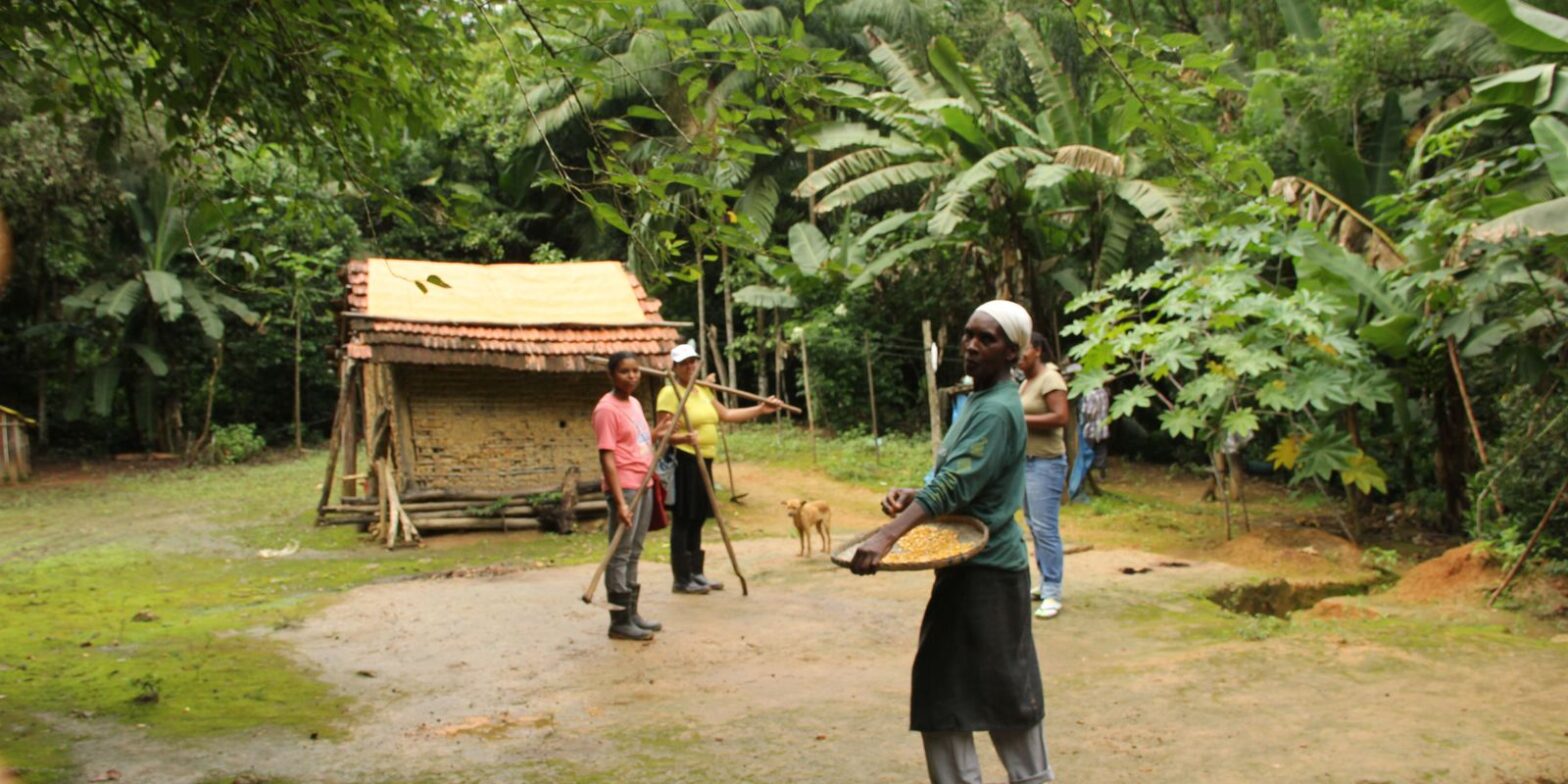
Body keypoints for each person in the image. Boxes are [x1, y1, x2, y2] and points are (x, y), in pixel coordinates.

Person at [851, 301, 1053, 784]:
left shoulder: (1000, 410)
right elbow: (968, 479)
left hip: (991, 574)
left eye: (987, 339)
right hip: (965, 571)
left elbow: (955, 488)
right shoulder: (978, 401)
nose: (971, 345)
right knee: (943, 692)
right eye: (968, 335)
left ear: (1013, 352)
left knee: (1006, 695)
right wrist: (916, 493)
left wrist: (888, 534)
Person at [655, 341, 780, 594]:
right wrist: (681, 438)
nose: (690, 366)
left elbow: (727, 415)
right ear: (675, 367)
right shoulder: (670, 393)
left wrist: (760, 409)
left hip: (705, 460)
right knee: (683, 518)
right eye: (684, 363)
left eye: (693, 362)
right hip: (684, 459)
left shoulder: (703, 390)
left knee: (698, 517)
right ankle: (681, 578)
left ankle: (697, 573)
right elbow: (661, 433)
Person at [592, 351, 665, 641]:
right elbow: (607, 457)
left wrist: (658, 432)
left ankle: (632, 613)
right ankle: (619, 620)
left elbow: (640, 440)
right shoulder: (605, 410)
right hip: (625, 486)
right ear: (612, 375)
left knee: (634, 550)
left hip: (644, 482)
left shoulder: (634, 402)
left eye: (636, 371)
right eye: (625, 371)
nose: (632, 376)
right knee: (620, 553)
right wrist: (620, 501)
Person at [1018, 331, 1070, 619]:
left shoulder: (1050, 378)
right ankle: (1045, 581)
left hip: (1046, 464)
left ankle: (1053, 591)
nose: (1018, 357)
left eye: (1023, 351)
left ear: (1037, 350)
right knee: (1034, 526)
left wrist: (1019, 418)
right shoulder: (1026, 382)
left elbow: (1061, 417)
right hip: (1026, 463)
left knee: (1045, 528)